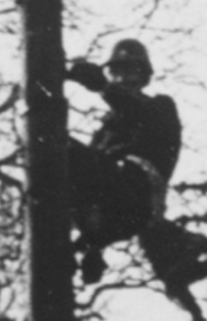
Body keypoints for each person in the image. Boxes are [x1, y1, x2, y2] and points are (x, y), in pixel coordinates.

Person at [66, 38, 181, 285]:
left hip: (137, 199)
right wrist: (89, 246)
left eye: (131, 71)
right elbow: (87, 180)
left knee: (66, 150)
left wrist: (102, 86)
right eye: (117, 72)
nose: (123, 78)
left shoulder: (159, 107)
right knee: (57, 151)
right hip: (108, 211)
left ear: (143, 77)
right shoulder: (107, 129)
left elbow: (135, 111)